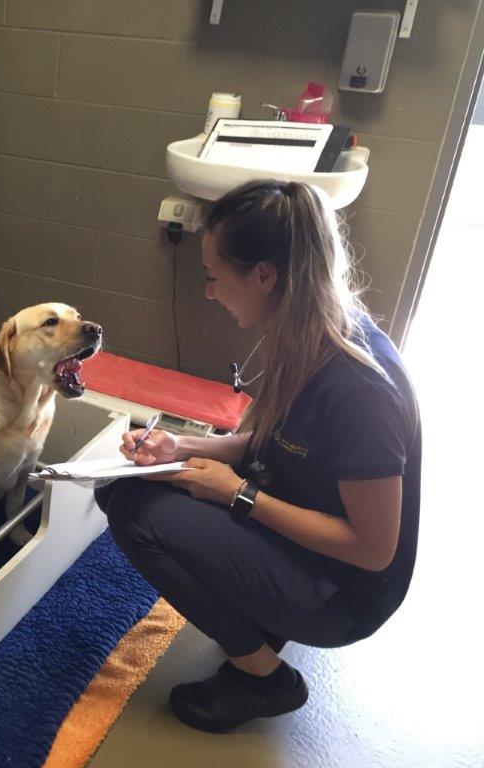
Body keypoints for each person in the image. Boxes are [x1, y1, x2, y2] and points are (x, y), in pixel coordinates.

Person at [95, 180, 421, 732]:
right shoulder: (307, 329)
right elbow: (272, 443)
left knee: (134, 512)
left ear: (264, 276)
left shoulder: (361, 389)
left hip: (346, 594)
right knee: (127, 484)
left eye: (214, 277)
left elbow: (372, 551)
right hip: (309, 534)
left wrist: (239, 495)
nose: (209, 293)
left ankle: (264, 679)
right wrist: (181, 445)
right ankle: (264, 617)